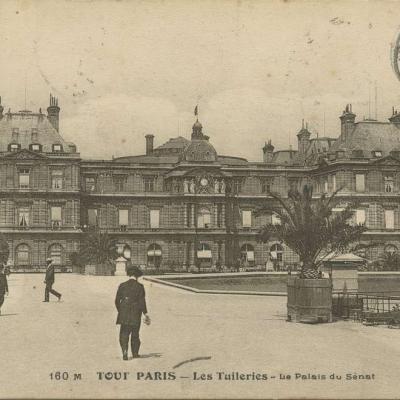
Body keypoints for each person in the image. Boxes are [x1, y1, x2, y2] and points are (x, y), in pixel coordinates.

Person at [115, 265, 150, 360]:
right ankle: (135, 353)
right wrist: (145, 313)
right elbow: (142, 301)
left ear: (129, 274)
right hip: (135, 312)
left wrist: (121, 311)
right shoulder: (140, 286)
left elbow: (117, 300)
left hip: (124, 312)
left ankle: (124, 352)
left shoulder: (122, 285)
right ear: (137, 276)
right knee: (135, 334)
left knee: (124, 333)